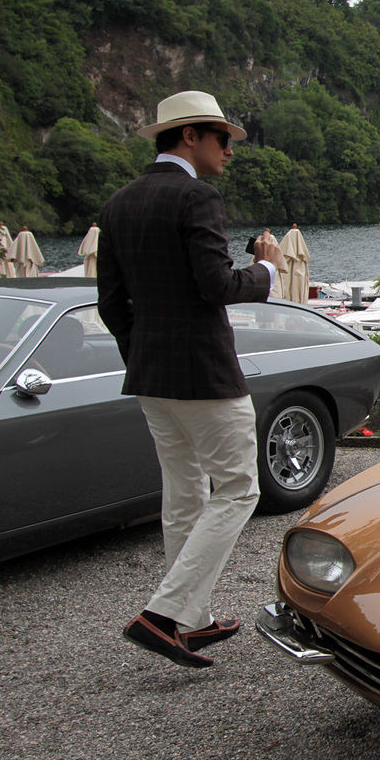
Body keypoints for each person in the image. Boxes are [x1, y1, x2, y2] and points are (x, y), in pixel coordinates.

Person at [97, 90, 281, 669]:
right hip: (203, 373)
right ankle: (164, 612)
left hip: (150, 374)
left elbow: (110, 304)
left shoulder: (119, 203)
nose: (230, 149)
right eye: (223, 138)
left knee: (183, 494)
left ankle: (193, 622)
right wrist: (267, 268)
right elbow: (218, 286)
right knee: (237, 490)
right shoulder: (197, 196)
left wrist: (144, 352)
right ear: (190, 136)